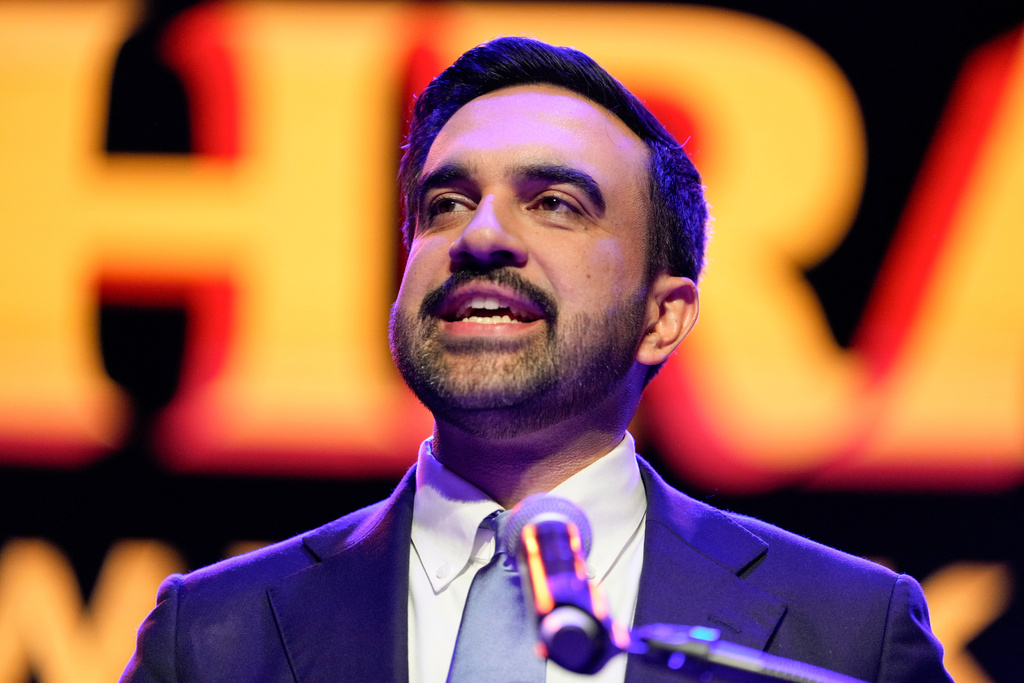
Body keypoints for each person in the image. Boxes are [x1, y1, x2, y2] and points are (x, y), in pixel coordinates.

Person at [121, 37, 952, 683]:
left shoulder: (845, 632)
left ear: (662, 318)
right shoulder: (212, 633)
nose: (480, 235)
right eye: (446, 203)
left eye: (554, 203)